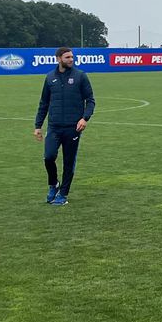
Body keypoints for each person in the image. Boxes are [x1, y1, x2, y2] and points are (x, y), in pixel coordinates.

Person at [33, 46, 96, 207]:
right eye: (67, 57)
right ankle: (53, 184)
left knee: (69, 162)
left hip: (73, 127)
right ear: (58, 59)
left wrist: (84, 118)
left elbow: (90, 100)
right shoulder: (50, 78)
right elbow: (44, 103)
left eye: (72, 57)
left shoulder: (80, 76)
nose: (71, 60)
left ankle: (63, 194)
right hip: (54, 126)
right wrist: (38, 125)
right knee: (48, 157)